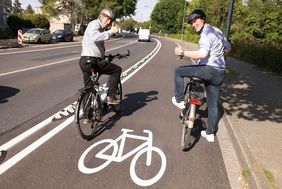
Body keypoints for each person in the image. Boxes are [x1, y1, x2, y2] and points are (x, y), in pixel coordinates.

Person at [172, 9, 231, 142]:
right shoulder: (217, 31)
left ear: (203, 19)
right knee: (212, 104)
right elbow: (228, 48)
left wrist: (183, 52)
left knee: (178, 71)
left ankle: (179, 100)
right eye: (191, 22)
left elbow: (202, 54)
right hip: (219, 72)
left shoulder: (206, 33)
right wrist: (218, 57)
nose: (193, 24)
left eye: (195, 20)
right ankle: (210, 133)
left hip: (208, 70)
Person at [79, 8, 121, 104]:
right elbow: (95, 37)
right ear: (101, 17)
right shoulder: (95, 24)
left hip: (84, 61)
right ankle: (111, 97)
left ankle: (87, 117)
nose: (109, 21)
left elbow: (97, 45)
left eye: (110, 20)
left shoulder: (99, 28)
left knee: (89, 88)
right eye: (107, 19)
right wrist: (110, 32)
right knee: (117, 70)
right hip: (93, 61)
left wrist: (103, 56)